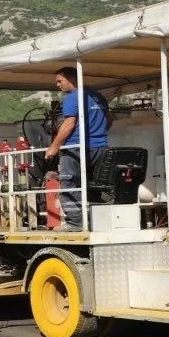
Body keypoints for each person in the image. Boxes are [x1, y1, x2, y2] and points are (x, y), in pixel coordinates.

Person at [44, 66, 111, 231]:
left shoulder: (73, 98)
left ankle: (76, 223)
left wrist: (54, 146)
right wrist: (97, 134)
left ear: (71, 79)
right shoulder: (98, 97)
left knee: (69, 185)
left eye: (60, 81)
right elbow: (109, 120)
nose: (58, 85)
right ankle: (94, 220)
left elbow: (68, 124)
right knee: (92, 186)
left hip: (76, 148)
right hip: (100, 148)